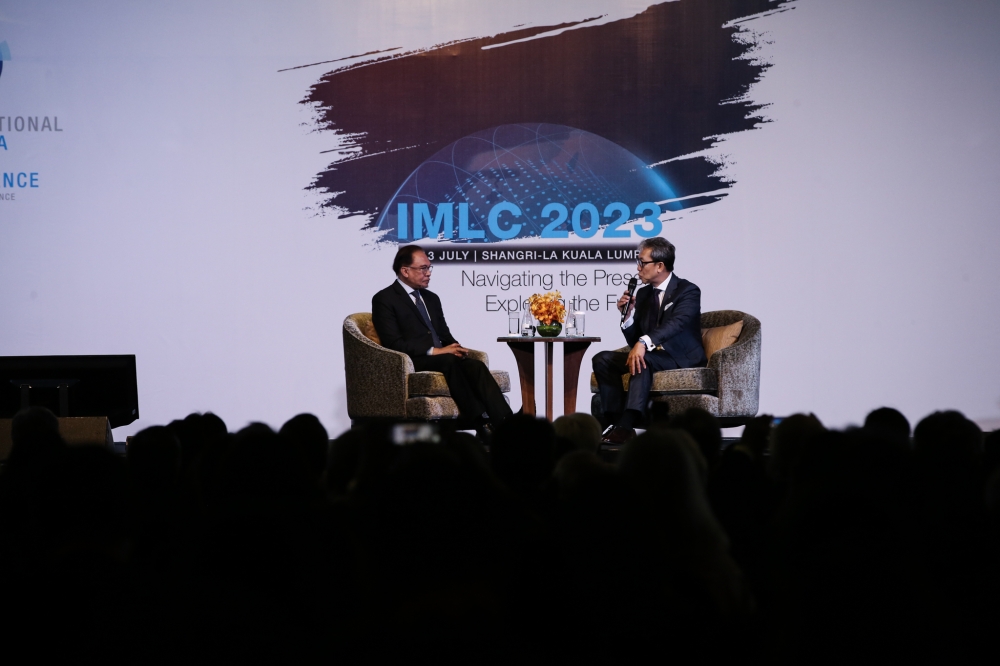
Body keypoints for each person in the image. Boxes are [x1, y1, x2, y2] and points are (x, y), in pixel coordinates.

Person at [372, 245, 513, 434]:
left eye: (430, 268)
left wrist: (455, 347)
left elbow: (444, 335)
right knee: (448, 360)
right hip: (412, 360)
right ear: (405, 271)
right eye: (423, 268)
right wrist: (435, 351)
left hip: (444, 359)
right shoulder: (385, 299)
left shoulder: (431, 299)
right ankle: (480, 423)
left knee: (475, 365)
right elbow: (393, 343)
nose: (429, 273)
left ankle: (507, 424)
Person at [592, 238, 707, 444]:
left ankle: (627, 424)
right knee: (602, 359)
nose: (638, 268)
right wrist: (627, 318)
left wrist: (643, 343)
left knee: (644, 360)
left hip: (679, 356)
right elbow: (635, 338)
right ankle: (613, 422)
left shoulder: (687, 291)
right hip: (652, 353)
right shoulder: (644, 293)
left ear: (659, 266)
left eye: (642, 262)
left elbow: (677, 324)